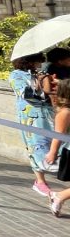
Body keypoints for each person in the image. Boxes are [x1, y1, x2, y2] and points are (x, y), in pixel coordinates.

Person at [10, 53, 56, 196]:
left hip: (49, 114)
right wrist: (39, 84)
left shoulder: (41, 73)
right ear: (28, 61)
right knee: (36, 146)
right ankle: (40, 181)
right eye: (37, 61)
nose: (39, 64)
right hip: (31, 117)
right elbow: (26, 94)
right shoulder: (16, 75)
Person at [44, 78, 70, 217]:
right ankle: (59, 196)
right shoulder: (65, 113)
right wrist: (52, 152)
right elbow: (58, 134)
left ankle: (58, 196)